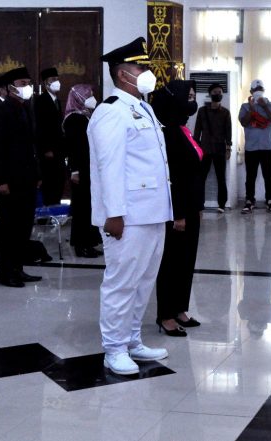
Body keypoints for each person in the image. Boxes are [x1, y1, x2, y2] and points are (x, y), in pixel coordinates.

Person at [87, 37, 173, 376]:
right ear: (124, 75)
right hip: (128, 216)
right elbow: (109, 168)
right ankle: (114, 349)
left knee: (143, 281)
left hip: (152, 211)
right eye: (142, 67)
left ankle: (133, 339)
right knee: (121, 283)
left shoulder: (144, 108)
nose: (148, 72)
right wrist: (114, 214)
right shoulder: (110, 111)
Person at [151, 80, 204, 337]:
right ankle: (166, 315)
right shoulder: (169, 132)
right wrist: (180, 213)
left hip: (191, 207)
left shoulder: (183, 129)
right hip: (177, 211)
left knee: (187, 261)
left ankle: (180, 308)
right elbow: (174, 177)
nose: (192, 101)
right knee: (171, 263)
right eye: (189, 96)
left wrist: (198, 206)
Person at [0, 66, 42, 288]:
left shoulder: (25, 108)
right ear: (11, 87)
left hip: (27, 180)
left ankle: (18, 268)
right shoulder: (1, 111)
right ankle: (7, 273)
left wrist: (37, 174)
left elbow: (31, 146)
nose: (27, 87)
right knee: (8, 230)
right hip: (9, 182)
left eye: (28, 83)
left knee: (23, 227)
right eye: (23, 84)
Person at [64, 84, 101, 258]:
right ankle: (81, 244)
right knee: (81, 208)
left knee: (89, 206)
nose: (92, 97)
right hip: (80, 170)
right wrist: (75, 170)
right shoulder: (74, 119)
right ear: (79, 97)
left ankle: (89, 242)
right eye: (89, 95)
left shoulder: (85, 116)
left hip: (89, 168)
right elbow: (73, 148)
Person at [238, 79, 271, 214]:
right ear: (251, 92)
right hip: (251, 147)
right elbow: (243, 122)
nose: (258, 92)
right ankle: (249, 201)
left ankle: (270, 201)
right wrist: (251, 110)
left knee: (268, 176)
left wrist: (265, 106)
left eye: (260, 89)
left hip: (267, 146)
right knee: (250, 176)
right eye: (255, 90)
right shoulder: (245, 106)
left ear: (264, 91)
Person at [194, 83, 232, 213]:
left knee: (221, 178)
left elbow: (228, 132)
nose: (218, 94)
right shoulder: (202, 111)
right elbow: (197, 130)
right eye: (215, 92)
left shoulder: (226, 113)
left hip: (220, 149)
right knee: (201, 178)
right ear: (210, 94)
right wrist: (196, 147)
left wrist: (228, 148)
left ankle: (222, 204)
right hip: (204, 149)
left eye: (220, 92)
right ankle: (199, 203)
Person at [35, 67, 67, 206]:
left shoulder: (57, 101)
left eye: (57, 79)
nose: (56, 82)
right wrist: (46, 149)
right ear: (46, 83)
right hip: (48, 152)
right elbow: (40, 127)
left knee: (59, 181)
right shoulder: (41, 100)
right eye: (53, 80)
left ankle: (55, 210)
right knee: (49, 184)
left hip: (58, 150)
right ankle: (47, 216)